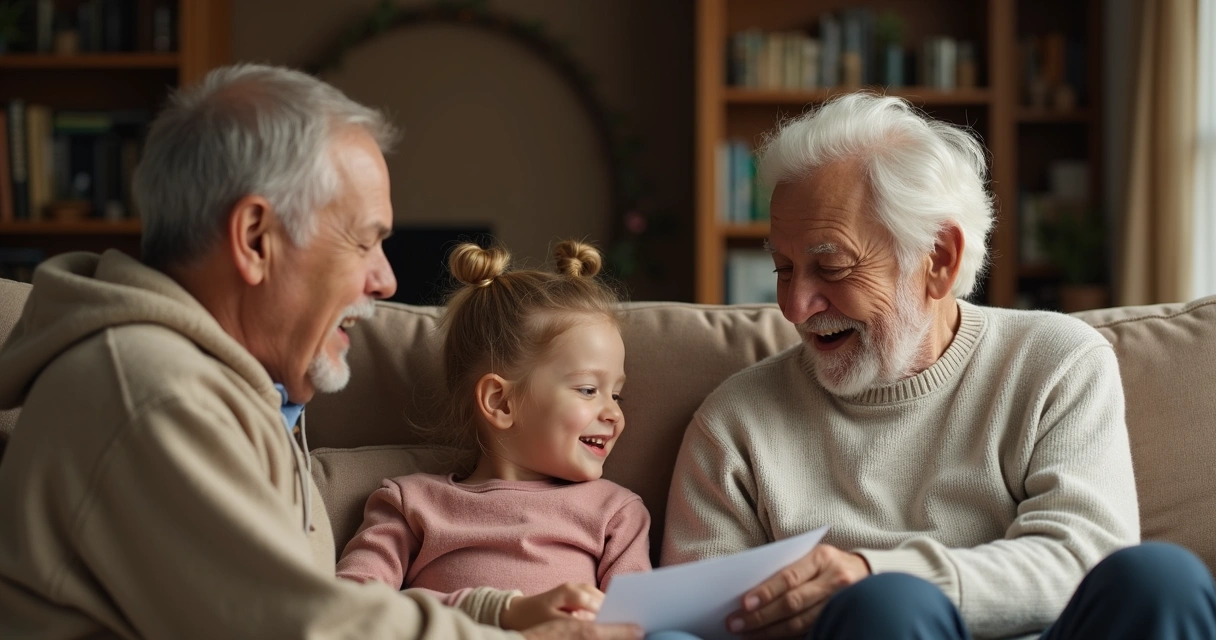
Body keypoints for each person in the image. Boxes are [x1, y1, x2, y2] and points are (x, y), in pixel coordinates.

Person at [0, 63, 639, 640]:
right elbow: (299, 629)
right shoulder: (149, 391)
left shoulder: (229, 389)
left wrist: (505, 615)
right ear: (256, 239)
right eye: (364, 243)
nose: (386, 281)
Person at [661, 93, 1216, 640]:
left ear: (939, 260)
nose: (795, 306)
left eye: (831, 267)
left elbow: (1084, 556)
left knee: (1161, 578)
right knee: (888, 610)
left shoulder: (1055, 362)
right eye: (783, 268)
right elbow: (688, 622)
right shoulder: (736, 422)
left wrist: (876, 571)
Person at [336, 239, 650, 626]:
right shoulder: (411, 504)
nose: (614, 412)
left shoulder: (616, 513)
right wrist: (501, 611)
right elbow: (351, 607)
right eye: (588, 389)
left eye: (615, 393)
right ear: (501, 402)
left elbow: (636, 626)